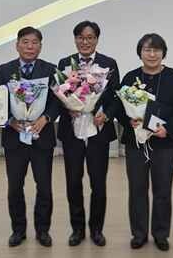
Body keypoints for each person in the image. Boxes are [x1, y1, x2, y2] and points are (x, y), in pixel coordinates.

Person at [116, 33, 173, 251]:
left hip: (165, 142)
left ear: (163, 53)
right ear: (140, 53)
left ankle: (161, 234)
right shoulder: (130, 77)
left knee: (163, 190)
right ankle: (139, 234)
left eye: (156, 50)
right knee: (137, 189)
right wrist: (129, 121)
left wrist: (169, 129)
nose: (152, 54)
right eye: (147, 50)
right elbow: (119, 108)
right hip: (136, 143)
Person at [0, 26, 60, 247]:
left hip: (42, 136)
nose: (30, 46)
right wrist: (10, 121)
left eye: (34, 42)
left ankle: (43, 230)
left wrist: (46, 119)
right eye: (25, 42)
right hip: (15, 138)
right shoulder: (4, 70)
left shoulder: (51, 69)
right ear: (17, 45)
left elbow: (58, 101)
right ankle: (18, 230)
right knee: (15, 187)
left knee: (44, 187)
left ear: (40, 46)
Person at [57, 21, 120, 247]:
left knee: (98, 183)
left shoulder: (108, 63)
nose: (85, 42)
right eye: (81, 38)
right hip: (72, 132)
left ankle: (96, 229)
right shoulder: (65, 64)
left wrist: (107, 115)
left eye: (90, 37)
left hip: (97, 131)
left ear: (96, 39)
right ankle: (77, 229)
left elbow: (116, 97)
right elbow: (59, 95)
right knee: (73, 181)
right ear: (75, 39)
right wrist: (68, 108)